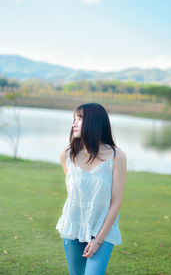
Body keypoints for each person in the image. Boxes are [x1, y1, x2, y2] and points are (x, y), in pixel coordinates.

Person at [56, 103, 127, 275]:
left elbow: (116, 202)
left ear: (94, 122)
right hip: (73, 227)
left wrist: (98, 240)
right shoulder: (67, 154)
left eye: (79, 119)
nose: (74, 123)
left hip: (102, 231)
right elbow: (75, 194)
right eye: (74, 119)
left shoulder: (117, 156)